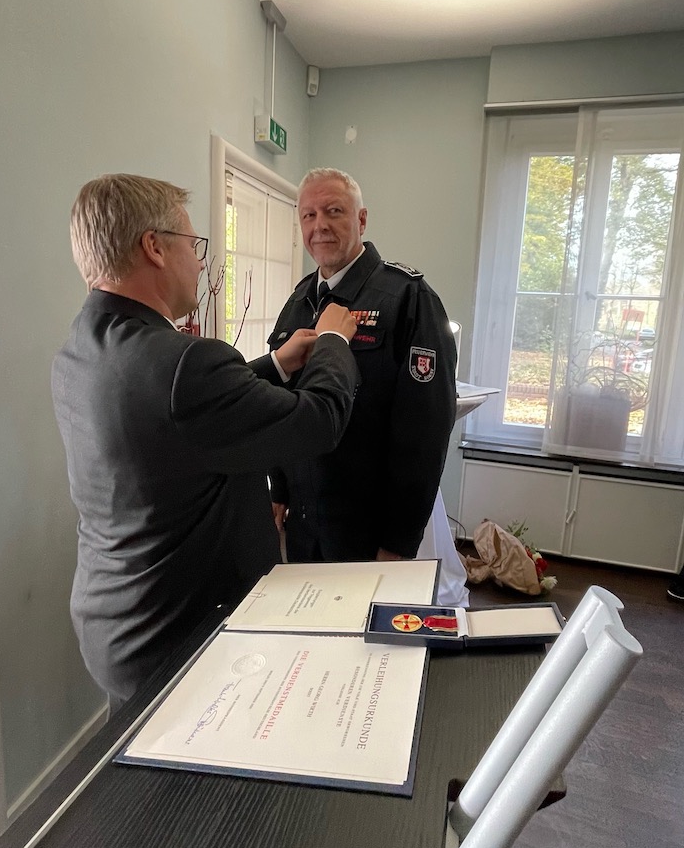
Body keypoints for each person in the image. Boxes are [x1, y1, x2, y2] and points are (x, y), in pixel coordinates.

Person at [52, 174, 358, 710]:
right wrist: (334, 339)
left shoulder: (81, 347)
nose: (199, 264)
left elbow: (179, 419)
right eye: (193, 246)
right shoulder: (185, 364)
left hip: (116, 619)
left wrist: (274, 365)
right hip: (180, 635)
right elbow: (319, 421)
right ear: (154, 247)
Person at [267, 168, 457, 563]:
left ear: (362, 219)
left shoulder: (408, 299)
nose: (319, 225)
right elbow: (283, 404)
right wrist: (279, 488)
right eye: (308, 215)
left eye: (334, 211)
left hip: (367, 533)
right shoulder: (299, 300)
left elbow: (425, 431)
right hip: (304, 524)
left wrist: (399, 539)